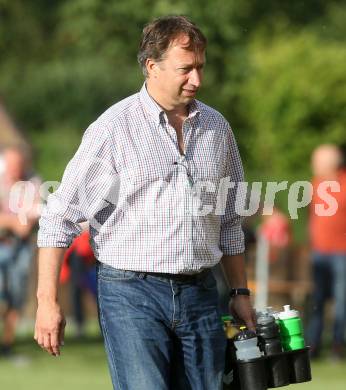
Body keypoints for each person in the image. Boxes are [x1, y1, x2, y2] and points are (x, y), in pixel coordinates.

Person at [34, 15, 255, 389]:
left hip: (201, 292)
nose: (197, 80)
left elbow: (230, 220)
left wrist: (239, 292)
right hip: (131, 293)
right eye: (186, 69)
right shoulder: (113, 129)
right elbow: (59, 219)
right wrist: (47, 301)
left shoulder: (218, 128)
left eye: (200, 67)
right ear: (152, 67)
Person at [0, 146, 40, 356]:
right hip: (2, 244)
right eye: (12, 164)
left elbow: (35, 210)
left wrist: (21, 222)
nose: (15, 169)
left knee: (16, 295)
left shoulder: (32, 182)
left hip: (22, 247)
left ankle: (7, 344)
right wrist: (12, 222)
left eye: (19, 164)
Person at [308, 144, 346, 359]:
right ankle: (313, 345)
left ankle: (337, 346)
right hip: (319, 253)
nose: (313, 165)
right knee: (317, 301)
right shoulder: (315, 183)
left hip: (342, 253)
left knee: (341, 302)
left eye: (317, 161)